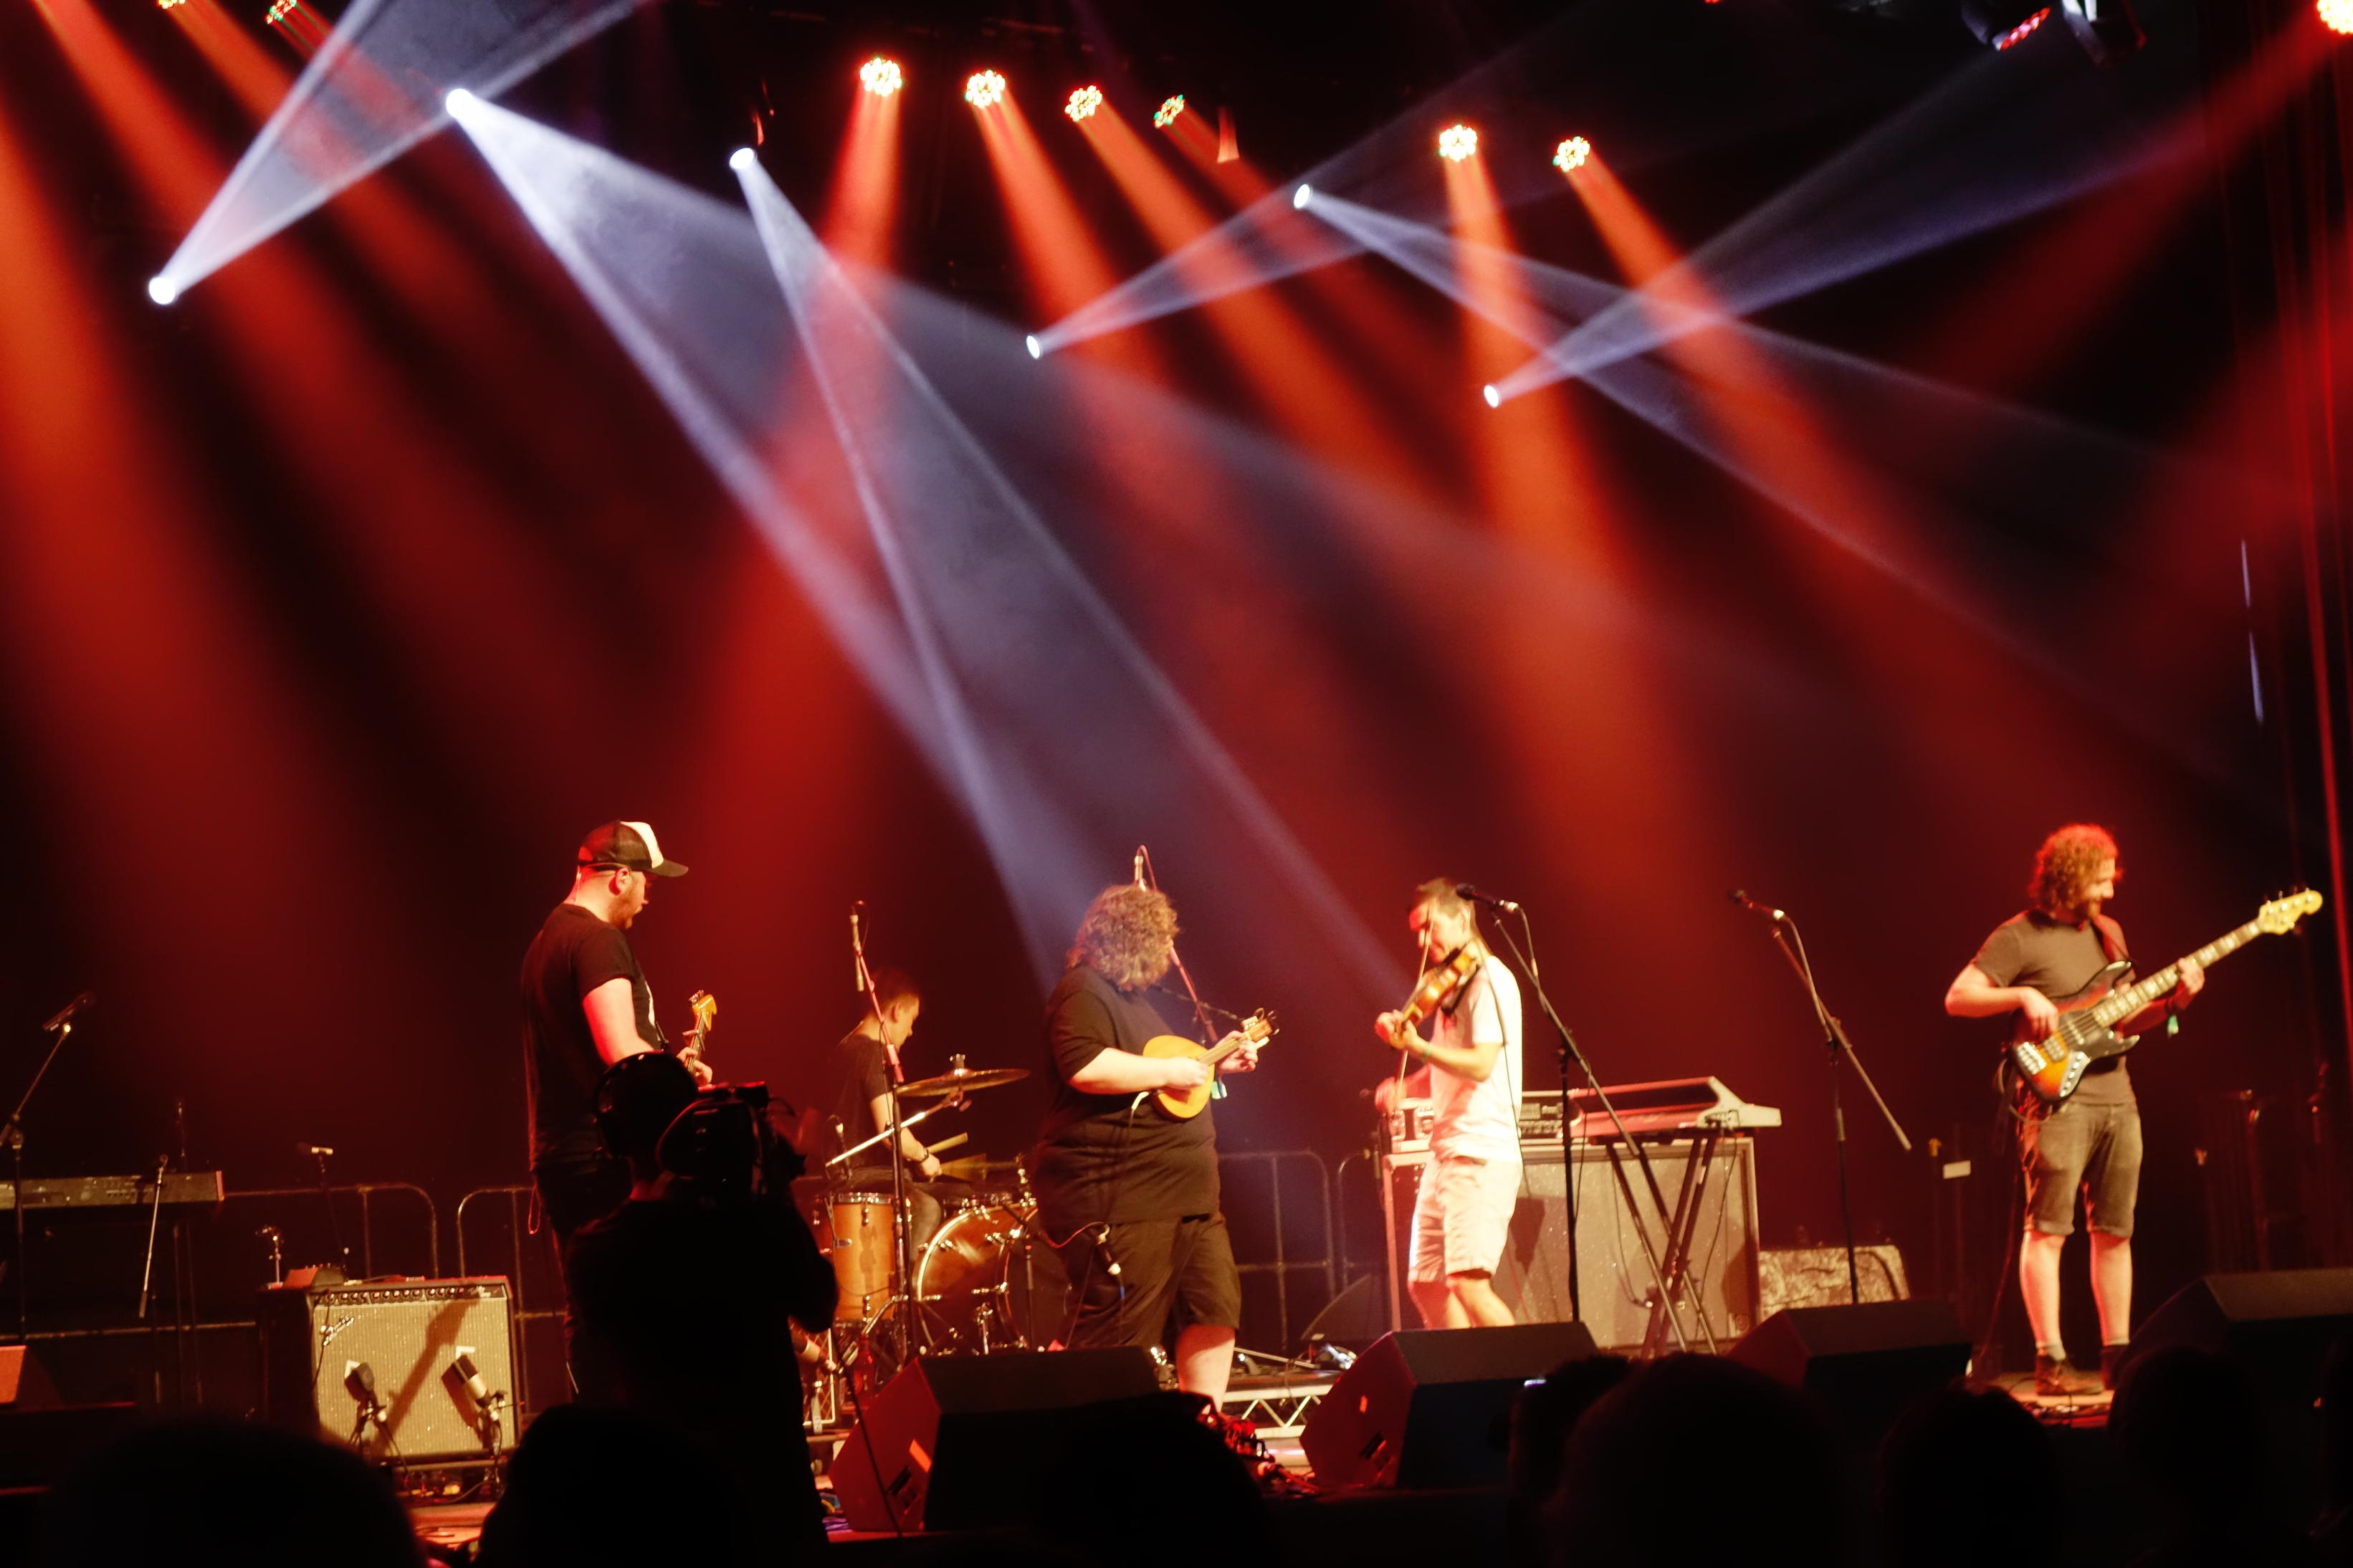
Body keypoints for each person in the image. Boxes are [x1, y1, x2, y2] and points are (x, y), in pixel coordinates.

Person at [1943, 823, 2202, 1396]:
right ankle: (2050, 1362)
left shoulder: (2109, 934)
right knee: (2048, 1230)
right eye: (2100, 880)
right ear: (2068, 877)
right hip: (2054, 1100)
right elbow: (1957, 998)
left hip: (2117, 1098)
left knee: (2115, 1231)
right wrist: (2020, 994)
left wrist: (2173, 1003)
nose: (2110, 891)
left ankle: (2117, 1357)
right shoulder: (2017, 936)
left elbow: (2124, 1020)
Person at [563, 1051, 838, 1564]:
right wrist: (773, 1191)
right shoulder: (751, 1226)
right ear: (694, 1126)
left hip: (663, 1521)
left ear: (613, 1140)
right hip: (775, 1520)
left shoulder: (592, 1252)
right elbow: (819, 1307)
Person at [1029, 884, 1259, 1402]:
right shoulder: (1083, 990)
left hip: (1188, 1200)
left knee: (1213, 1310)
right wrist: (1169, 1071)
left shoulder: (1133, 1002)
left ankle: (1202, 1431)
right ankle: (1064, 1432)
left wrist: (1216, 1066)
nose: (1168, 955)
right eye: (1162, 942)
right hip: (1126, 1197)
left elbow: (1163, 1084)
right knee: (1115, 1332)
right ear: (1134, 938)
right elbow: (1085, 1066)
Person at [520, 820, 707, 1254]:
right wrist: (680, 1085)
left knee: (591, 1293)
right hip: (604, 1161)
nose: (647, 898)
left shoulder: (543, 944)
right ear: (622, 877)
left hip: (561, 1158)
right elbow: (621, 1051)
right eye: (648, 884)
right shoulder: (597, 939)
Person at [1373, 879, 1525, 1329]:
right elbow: (1446, 1068)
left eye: (1430, 927)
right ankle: (1466, 1372)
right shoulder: (1451, 986)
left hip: (1480, 1150)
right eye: (1416, 933)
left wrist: (1418, 1047)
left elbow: (1480, 1065)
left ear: (1461, 917)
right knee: (1426, 1283)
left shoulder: (1490, 980)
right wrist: (1406, 1087)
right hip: (1446, 1152)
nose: (1423, 942)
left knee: (1468, 1285)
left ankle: (1528, 1372)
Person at [824, 969, 950, 1258]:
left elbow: (805, 1136)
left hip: (838, 1179)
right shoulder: (873, 1053)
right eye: (912, 1020)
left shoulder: (838, 1053)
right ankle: (908, 1286)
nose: (911, 1031)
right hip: (865, 1178)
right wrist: (924, 1157)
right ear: (897, 1011)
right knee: (929, 1208)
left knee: (952, 1195)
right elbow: (890, 1133)